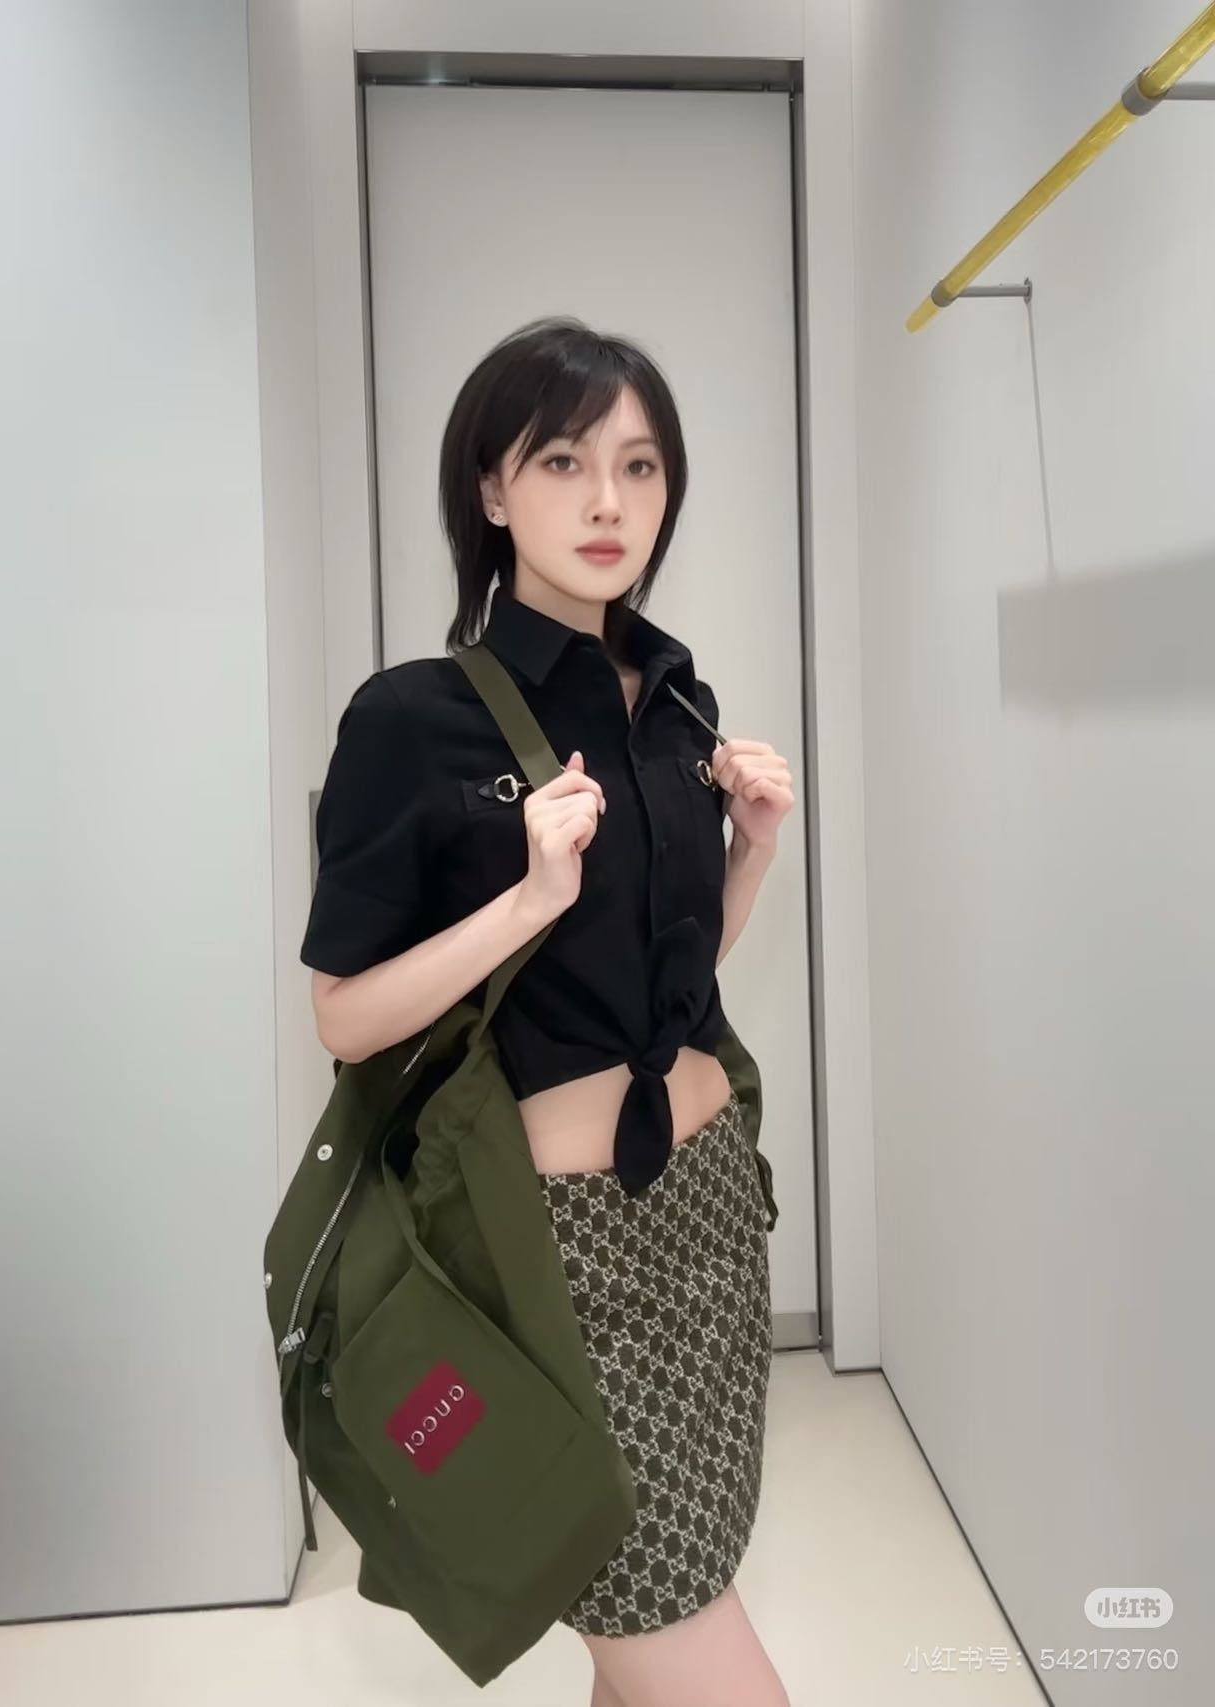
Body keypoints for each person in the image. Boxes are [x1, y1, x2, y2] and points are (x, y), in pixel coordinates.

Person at [301, 317, 797, 1707]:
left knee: (657, 1635)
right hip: (557, 1258)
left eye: (640, 467)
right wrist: (526, 901)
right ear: (491, 487)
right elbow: (345, 1019)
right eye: (565, 461)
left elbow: (669, 987)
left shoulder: (680, 704)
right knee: (673, 1624)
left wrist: (750, 854)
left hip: (707, 1220)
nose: (607, 503)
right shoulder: (413, 719)